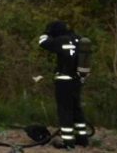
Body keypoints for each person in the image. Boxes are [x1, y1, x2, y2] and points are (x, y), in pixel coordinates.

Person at [39, 20, 89, 149]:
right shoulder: (79, 40)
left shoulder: (61, 40)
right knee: (76, 109)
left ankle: (68, 142)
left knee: (65, 110)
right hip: (77, 81)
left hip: (64, 81)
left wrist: (47, 32)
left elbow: (43, 42)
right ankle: (82, 138)